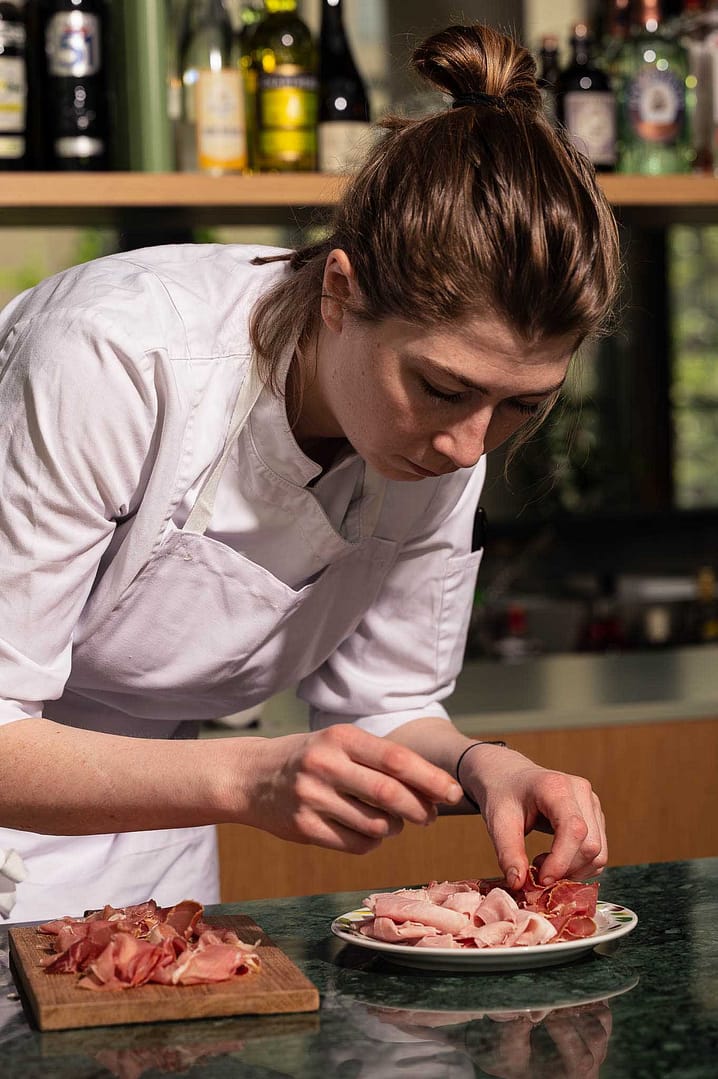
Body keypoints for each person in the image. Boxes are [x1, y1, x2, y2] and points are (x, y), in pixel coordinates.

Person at [0, 23, 619, 922]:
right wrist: (247, 778)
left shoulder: (450, 430)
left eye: (523, 403)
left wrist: (488, 766)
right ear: (340, 292)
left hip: (153, 834)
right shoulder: (114, 358)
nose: (468, 446)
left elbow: (386, 700)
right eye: (443, 387)